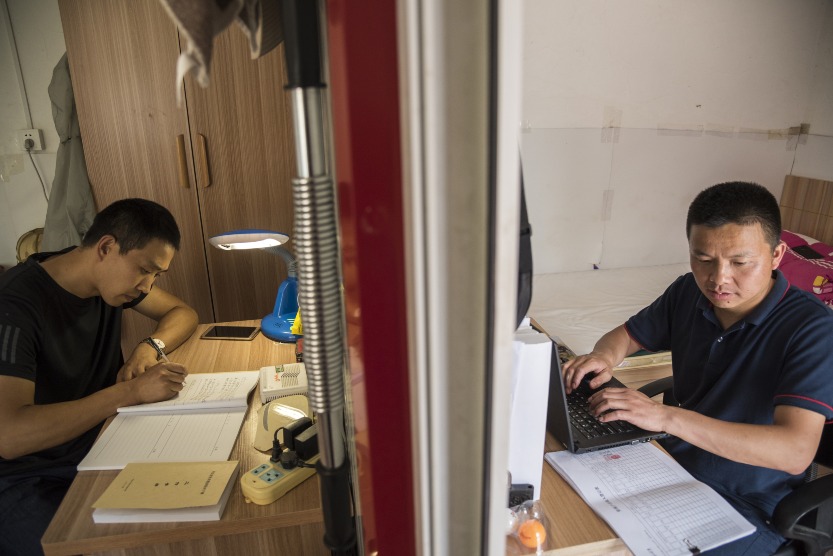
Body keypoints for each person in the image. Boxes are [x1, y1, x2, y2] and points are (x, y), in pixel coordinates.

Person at [562, 181, 833, 555]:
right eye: (703, 259)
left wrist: (666, 417)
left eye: (740, 262)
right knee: (566, 511)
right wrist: (604, 356)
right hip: (671, 464)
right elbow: (625, 336)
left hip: (747, 502)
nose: (718, 279)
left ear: (776, 255)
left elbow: (794, 452)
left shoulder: (812, 329)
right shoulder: (688, 292)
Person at [0, 198, 199, 555]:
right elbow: (10, 436)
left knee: (191, 510)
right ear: (106, 247)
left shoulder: (103, 281)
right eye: (145, 270)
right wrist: (130, 393)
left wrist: (148, 346)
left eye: (156, 275)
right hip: (24, 475)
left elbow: (181, 313)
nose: (146, 286)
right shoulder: (14, 305)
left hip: (98, 442)